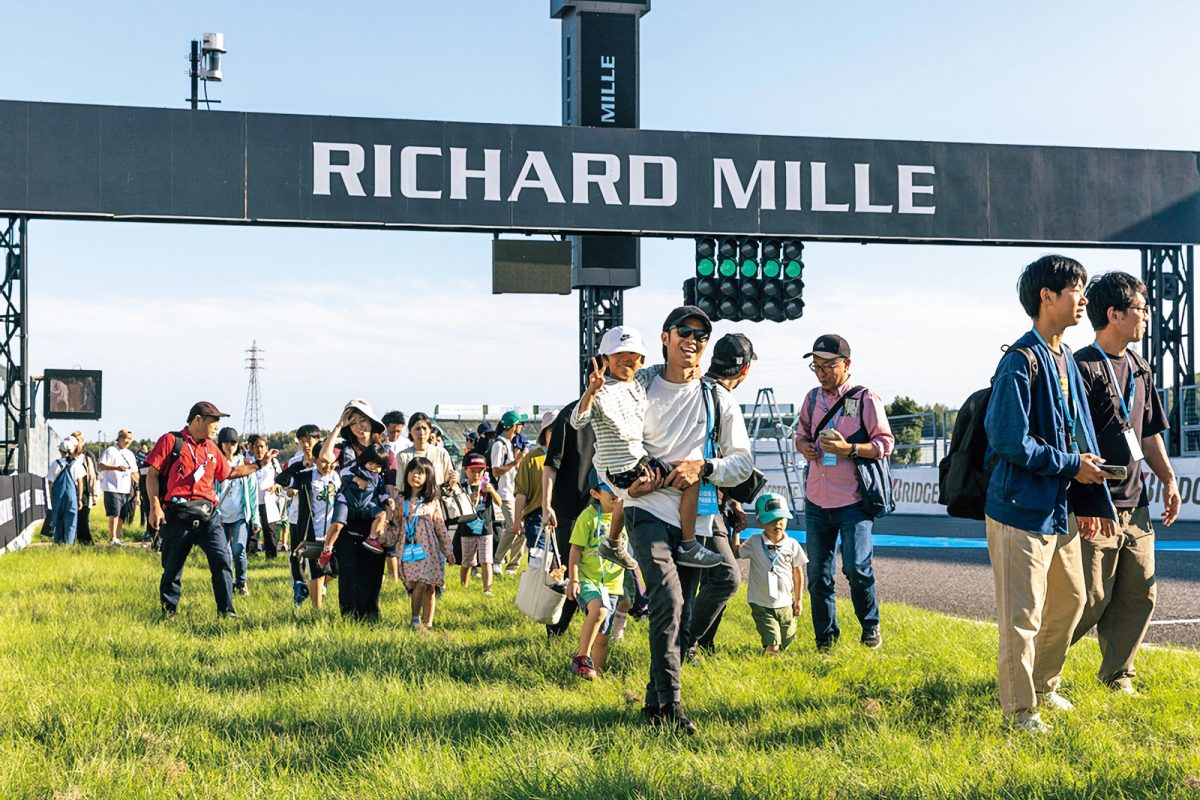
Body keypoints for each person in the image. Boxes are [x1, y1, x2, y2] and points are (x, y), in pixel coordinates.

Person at [984, 255, 1115, 733]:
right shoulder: (1020, 361)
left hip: (1057, 508)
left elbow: (1080, 435)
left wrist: (1090, 499)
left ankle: (1043, 685)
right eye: (1076, 290)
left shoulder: (1065, 358)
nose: (1084, 300)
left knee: (1074, 600)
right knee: (1022, 617)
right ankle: (1021, 712)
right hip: (1019, 508)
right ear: (1047, 297)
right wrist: (1069, 466)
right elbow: (1008, 439)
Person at [622, 305, 754, 735]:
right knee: (670, 601)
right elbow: (609, 449)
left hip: (694, 520)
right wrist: (629, 479)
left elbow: (743, 464)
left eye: (701, 334)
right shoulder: (638, 387)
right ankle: (673, 709)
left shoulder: (718, 397)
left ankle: (654, 704)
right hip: (643, 510)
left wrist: (705, 468)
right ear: (665, 337)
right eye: (685, 331)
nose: (693, 340)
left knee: (677, 612)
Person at [1070, 271, 1179, 695]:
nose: (1147, 316)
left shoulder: (1139, 367)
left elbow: (1148, 432)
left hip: (1137, 502)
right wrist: (1082, 505)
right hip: (1095, 504)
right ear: (1114, 314)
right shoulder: (1081, 368)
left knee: (1140, 595)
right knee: (1089, 600)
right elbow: (1070, 439)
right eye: (1140, 309)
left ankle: (1118, 675)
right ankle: (1037, 676)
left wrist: (1168, 479)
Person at [572, 326, 721, 572]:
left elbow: (666, 369)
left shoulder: (640, 380)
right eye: (619, 357)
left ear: (641, 361)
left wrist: (693, 368)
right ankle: (689, 544)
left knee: (629, 496)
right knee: (690, 477)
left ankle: (612, 542)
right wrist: (590, 391)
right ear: (605, 360)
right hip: (625, 469)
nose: (626, 362)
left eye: (633, 358)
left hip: (635, 463)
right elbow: (577, 421)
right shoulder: (602, 391)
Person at [794, 334, 895, 652]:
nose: (821, 372)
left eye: (828, 366)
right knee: (817, 574)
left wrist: (848, 448)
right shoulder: (811, 399)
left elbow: (885, 444)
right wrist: (805, 447)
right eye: (816, 366)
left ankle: (870, 625)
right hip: (816, 499)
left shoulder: (865, 398)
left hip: (853, 500)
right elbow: (799, 435)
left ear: (846, 364)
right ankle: (825, 640)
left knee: (855, 567)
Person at [147, 401, 279, 618]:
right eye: (214, 421)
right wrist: (155, 507)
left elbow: (230, 472)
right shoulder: (172, 441)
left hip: (209, 515)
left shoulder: (211, 448)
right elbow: (152, 474)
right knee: (172, 567)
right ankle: (169, 613)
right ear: (198, 420)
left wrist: (259, 465)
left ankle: (226, 611)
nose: (217, 426)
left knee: (222, 560)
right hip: (177, 514)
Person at [685, 333, 757, 658]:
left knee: (689, 584)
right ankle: (683, 645)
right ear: (743, 373)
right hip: (697, 504)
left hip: (673, 501)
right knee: (726, 577)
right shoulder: (722, 399)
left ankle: (683, 653)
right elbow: (739, 463)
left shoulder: (685, 389)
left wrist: (730, 501)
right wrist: (709, 470)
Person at [317, 400, 395, 619]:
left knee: (372, 568)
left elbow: (389, 485)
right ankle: (350, 616)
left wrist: (387, 516)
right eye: (354, 423)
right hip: (348, 515)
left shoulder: (385, 452)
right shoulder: (344, 448)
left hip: (373, 516)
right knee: (349, 569)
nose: (360, 427)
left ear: (372, 422)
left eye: (364, 421)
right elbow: (324, 457)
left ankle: (371, 614)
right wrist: (338, 426)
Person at [541, 403, 597, 638]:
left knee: (598, 575)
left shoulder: (619, 410)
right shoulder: (568, 415)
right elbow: (550, 465)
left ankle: (597, 631)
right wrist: (546, 505)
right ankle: (556, 631)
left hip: (604, 510)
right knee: (566, 576)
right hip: (568, 511)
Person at [733, 493, 807, 655]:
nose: (777, 523)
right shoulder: (754, 542)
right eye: (771, 520)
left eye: (781, 519)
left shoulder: (792, 545)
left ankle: (769, 649)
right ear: (760, 521)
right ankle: (771, 660)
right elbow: (736, 553)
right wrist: (736, 532)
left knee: (787, 638)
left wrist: (799, 599)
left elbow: (798, 573)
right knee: (773, 643)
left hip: (785, 602)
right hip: (760, 603)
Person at [566, 476, 625, 679]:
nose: (615, 493)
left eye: (617, 487)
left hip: (613, 584)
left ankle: (594, 675)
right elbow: (575, 550)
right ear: (595, 494)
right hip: (588, 580)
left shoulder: (625, 514)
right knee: (599, 610)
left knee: (603, 636)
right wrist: (573, 580)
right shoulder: (588, 517)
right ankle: (581, 658)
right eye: (608, 489)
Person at [277, 443, 342, 610]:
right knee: (316, 571)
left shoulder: (336, 477)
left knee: (335, 570)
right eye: (324, 461)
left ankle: (309, 588)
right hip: (312, 532)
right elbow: (281, 479)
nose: (328, 466)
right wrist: (300, 465)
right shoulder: (306, 475)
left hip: (333, 533)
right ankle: (316, 609)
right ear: (315, 459)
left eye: (332, 462)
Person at [395, 456, 454, 630]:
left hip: (429, 549)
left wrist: (448, 550)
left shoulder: (432, 501)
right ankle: (415, 619)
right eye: (412, 471)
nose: (415, 475)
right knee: (417, 583)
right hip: (408, 547)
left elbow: (440, 526)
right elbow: (396, 525)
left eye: (420, 473)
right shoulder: (400, 500)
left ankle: (427, 622)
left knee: (429, 585)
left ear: (428, 476)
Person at [213, 427, 259, 596]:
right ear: (221, 444)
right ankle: (228, 582)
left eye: (233, 442)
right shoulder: (216, 463)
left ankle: (241, 581)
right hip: (220, 516)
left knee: (239, 549)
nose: (229, 446)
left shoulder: (244, 464)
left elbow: (252, 494)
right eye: (226, 442)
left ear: (238, 444)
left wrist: (255, 518)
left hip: (240, 515)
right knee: (225, 553)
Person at [457, 452, 501, 596]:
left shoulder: (487, 485)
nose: (476, 474)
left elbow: (499, 503)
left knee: (486, 560)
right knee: (467, 561)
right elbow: (457, 507)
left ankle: (487, 589)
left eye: (480, 471)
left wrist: (492, 491)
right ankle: (463, 587)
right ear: (466, 470)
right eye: (473, 471)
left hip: (485, 528)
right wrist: (468, 498)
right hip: (467, 528)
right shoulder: (462, 487)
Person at [511, 413, 553, 563]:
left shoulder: (569, 457)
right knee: (539, 563)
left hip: (563, 517)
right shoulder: (532, 458)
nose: (556, 434)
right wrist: (517, 519)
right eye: (551, 430)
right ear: (544, 433)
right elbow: (522, 492)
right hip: (537, 518)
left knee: (559, 568)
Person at [491, 410, 529, 574]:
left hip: (515, 492)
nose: (522, 426)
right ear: (513, 426)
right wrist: (516, 461)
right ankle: (497, 561)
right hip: (505, 493)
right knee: (515, 527)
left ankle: (512, 566)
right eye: (520, 423)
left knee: (521, 528)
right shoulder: (499, 444)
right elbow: (496, 471)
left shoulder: (511, 444)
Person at [98, 429, 139, 546]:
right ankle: (113, 537)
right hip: (112, 487)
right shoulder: (111, 450)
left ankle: (118, 538)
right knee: (114, 513)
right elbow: (101, 465)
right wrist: (116, 468)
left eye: (130, 439)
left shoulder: (130, 454)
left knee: (122, 515)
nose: (127, 441)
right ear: (119, 438)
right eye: (125, 438)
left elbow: (134, 472)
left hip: (125, 489)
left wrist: (142, 486)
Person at [247, 434, 285, 558]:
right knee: (252, 530)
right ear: (252, 449)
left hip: (268, 501)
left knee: (270, 530)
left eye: (262, 446)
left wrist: (275, 486)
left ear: (267, 447)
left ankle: (271, 556)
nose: (260, 450)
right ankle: (251, 554)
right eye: (257, 447)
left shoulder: (273, 461)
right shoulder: (248, 462)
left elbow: (281, 478)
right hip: (253, 501)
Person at [47, 436, 83, 545]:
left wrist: (50, 496)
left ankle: (58, 542)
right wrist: (80, 499)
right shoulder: (76, 464)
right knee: (71, 520)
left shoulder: (55, 464)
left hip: (57, 496)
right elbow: (80, 482)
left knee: (57, 519)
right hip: (71, 496)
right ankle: (69, 543)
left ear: (60, 451)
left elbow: (50, 483)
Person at [71, 432, 100, 545]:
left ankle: (85, 542)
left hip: (84, 493)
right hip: (71, 491)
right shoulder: (68, 455)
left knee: (83, 518)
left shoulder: (87, 456)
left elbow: (93, 475)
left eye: (78, 440)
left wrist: (94, 494)